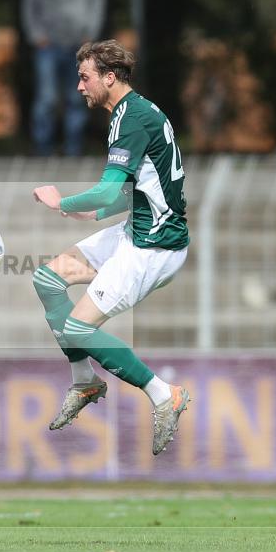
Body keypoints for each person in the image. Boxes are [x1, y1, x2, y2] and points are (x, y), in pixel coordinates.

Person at [32, 40, 190, 455]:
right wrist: (97, 213)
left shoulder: (130, 119)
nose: (79, 87)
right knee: (47, 279)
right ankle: (85, 381)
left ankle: (164, 395)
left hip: (154, 246)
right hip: (136, 230)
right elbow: (140, 187)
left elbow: (106, 191)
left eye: (85, 78)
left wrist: (62, 202)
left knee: (79, 328)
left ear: (109, 77)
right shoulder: (134, 111)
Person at [21, 0, 106, 156]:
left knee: (77, 97)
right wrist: (36, 35)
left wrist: (90, 35)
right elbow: (29, 5)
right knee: (47, 98)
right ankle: (43, 149)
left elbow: (97, 4)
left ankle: (74, 149)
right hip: (48, 46)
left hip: (79, 47)